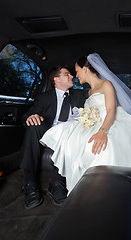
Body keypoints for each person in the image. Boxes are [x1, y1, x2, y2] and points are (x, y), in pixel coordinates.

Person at [40, 53, 131, 194]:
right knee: (71, 137)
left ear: (85, 69)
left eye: (77, 70)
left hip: (112, 121)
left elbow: (111, 109)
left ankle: (108, 191)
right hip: (95, 124)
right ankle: (86, 189)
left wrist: (103, 132)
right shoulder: (89, 92)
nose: (76, 75)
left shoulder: (106, 84)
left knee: (106, 147)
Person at [20, 65, 87, 209]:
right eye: (67, 74)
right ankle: (30, 183)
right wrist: (31, 117)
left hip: (70, 134)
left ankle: (57, 183)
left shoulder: (80, 95)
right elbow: (27, 115)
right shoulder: (44, 97)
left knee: (73, 132)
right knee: (33, 127)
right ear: (56, 79)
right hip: (48, 132)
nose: (72, 77)